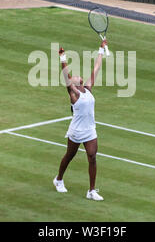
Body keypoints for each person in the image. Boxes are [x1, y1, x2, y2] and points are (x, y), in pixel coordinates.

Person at [53, 41, 108, 201]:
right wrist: (62, 57)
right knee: (69, 155)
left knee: (92, 157)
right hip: (76, 131)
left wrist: (101, 49)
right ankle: (59, 180)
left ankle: (91, 191)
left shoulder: (88, 89)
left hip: (90, 130)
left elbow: (96, 68)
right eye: (74, 77)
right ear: (74, 83)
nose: (76, 76)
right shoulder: (74, 94)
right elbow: (66, 75)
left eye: (77, 76)